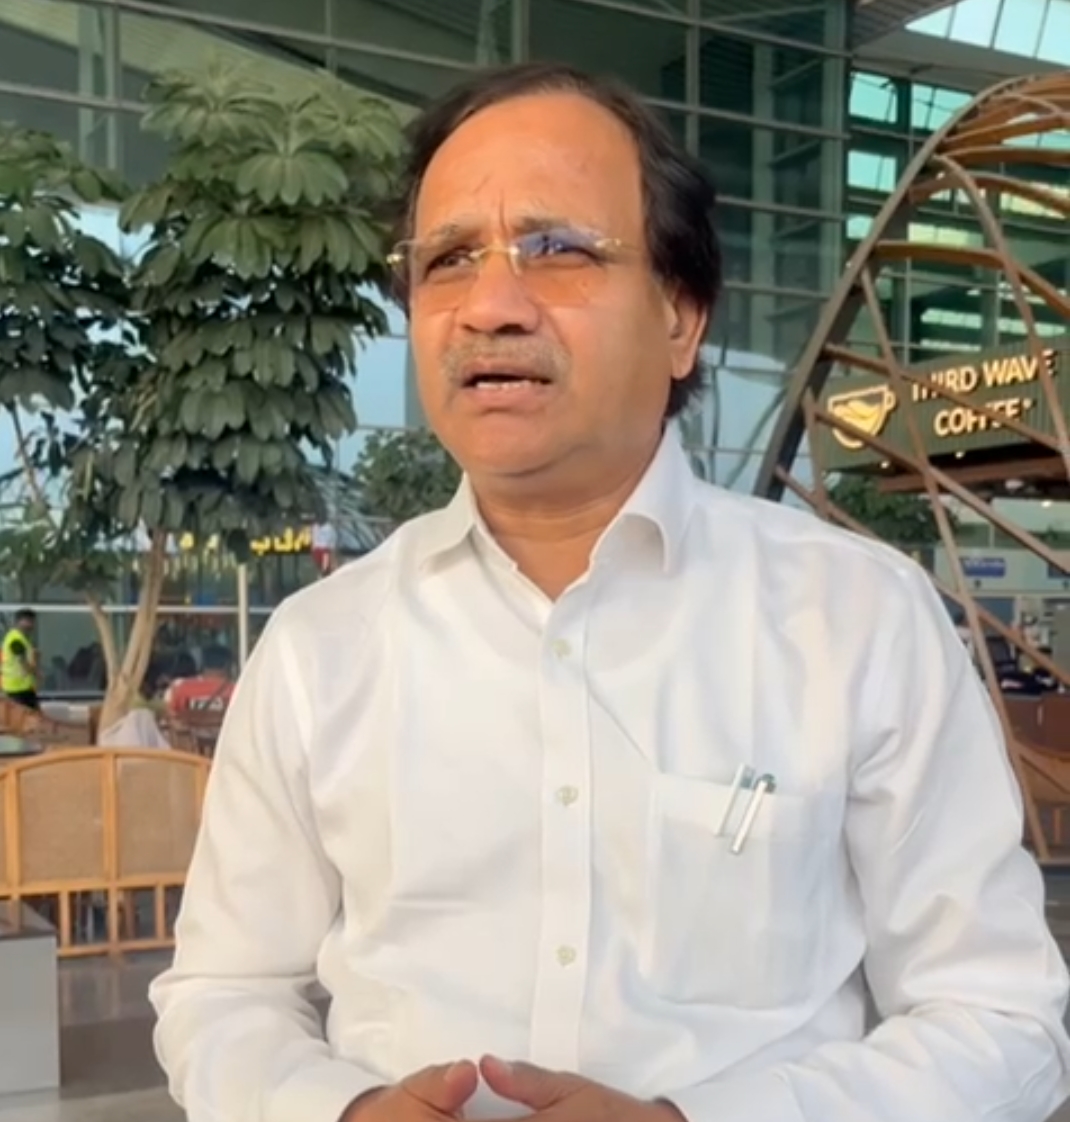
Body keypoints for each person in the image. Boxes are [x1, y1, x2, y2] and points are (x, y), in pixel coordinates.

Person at [150, 62, 1070, 1122]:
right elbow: (223, 994)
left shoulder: (856, 621)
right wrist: (342, 1112)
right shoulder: (321, 646)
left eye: (557, 249)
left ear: (681, 317)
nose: (490, 306)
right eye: (448, 259)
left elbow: (1000, 1017)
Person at [163, 645, 235, 716]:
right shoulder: (234, 691)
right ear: (227, 666)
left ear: (203, 664)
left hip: (188, 724)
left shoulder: (182, 689)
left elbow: (171, 716)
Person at [2, 608, 39, 710]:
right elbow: (23, 663)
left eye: (32, 621)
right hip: (16, 689)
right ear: (19, 621)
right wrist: (36, 673)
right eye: (28, 621)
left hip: (24, 688)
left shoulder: (22, 638)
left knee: (34, 715)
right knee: (25, 717)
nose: (31, 625)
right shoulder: (15, 639)